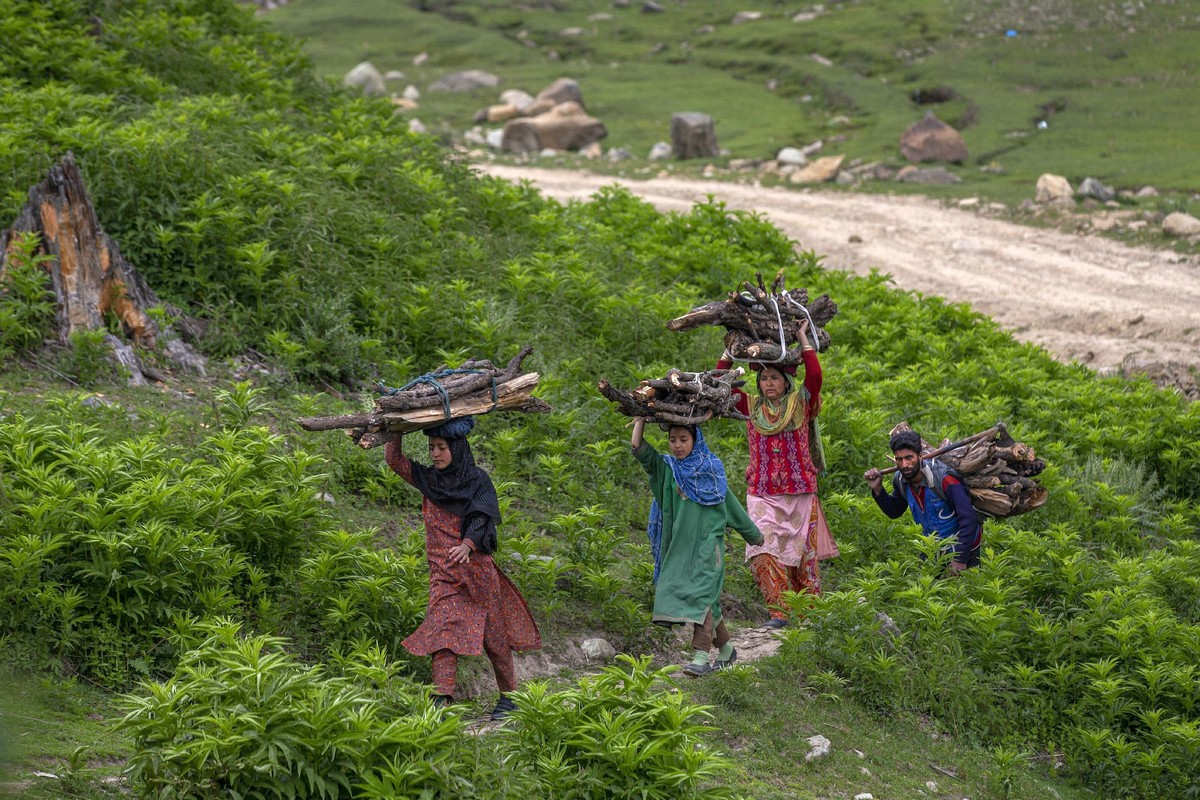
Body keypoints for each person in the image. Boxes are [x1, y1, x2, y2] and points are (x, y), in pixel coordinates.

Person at [384, 417, 542, 720]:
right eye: (431, 447)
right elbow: (394, 460)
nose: (435, 454)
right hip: (444, 576)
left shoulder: (477, 480)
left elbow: (482, 516)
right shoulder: (428, 480)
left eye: (441, 447)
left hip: (477, 572)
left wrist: (467, 544)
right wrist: (396, 428)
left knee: (494, 636)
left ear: (457, 448)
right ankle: (442, 699)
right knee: (442, 631)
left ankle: (509, 697)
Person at [717, 319, 836, 629]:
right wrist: (729, 353)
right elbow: (722, 381)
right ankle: (779, 612)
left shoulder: (800, 404)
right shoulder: (750, 406)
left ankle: (810, 614)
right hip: (762, 492)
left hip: (799, 493)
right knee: (761, 549)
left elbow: (816, 377)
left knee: (802, 557)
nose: (768, 383)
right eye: (764, 378)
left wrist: (801, 338)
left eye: (774, 378)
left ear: (786, 381)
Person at [631, 417, 764, 677]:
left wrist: (754, 535)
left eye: (683, 439)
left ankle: (701, 656)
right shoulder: (668, 472)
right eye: (672, 440)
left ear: (696, 439)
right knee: (702, 601)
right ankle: (726, 649)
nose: (677, 446)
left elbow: (732, 507)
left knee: (703, 598)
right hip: (679, 550)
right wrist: (640, 420)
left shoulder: (711, 472)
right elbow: (640, 450)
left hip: (707, 549)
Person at [862, 429, 982, 572]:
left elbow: (969, 519)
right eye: (899, 459)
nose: (904, 464)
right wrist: (878, 490)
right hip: (933, 549)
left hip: (965, 547)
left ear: (920, 456)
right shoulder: (901, 480)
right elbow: (894, 511)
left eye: (909, 458)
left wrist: (960, 559)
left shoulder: (944, 479)